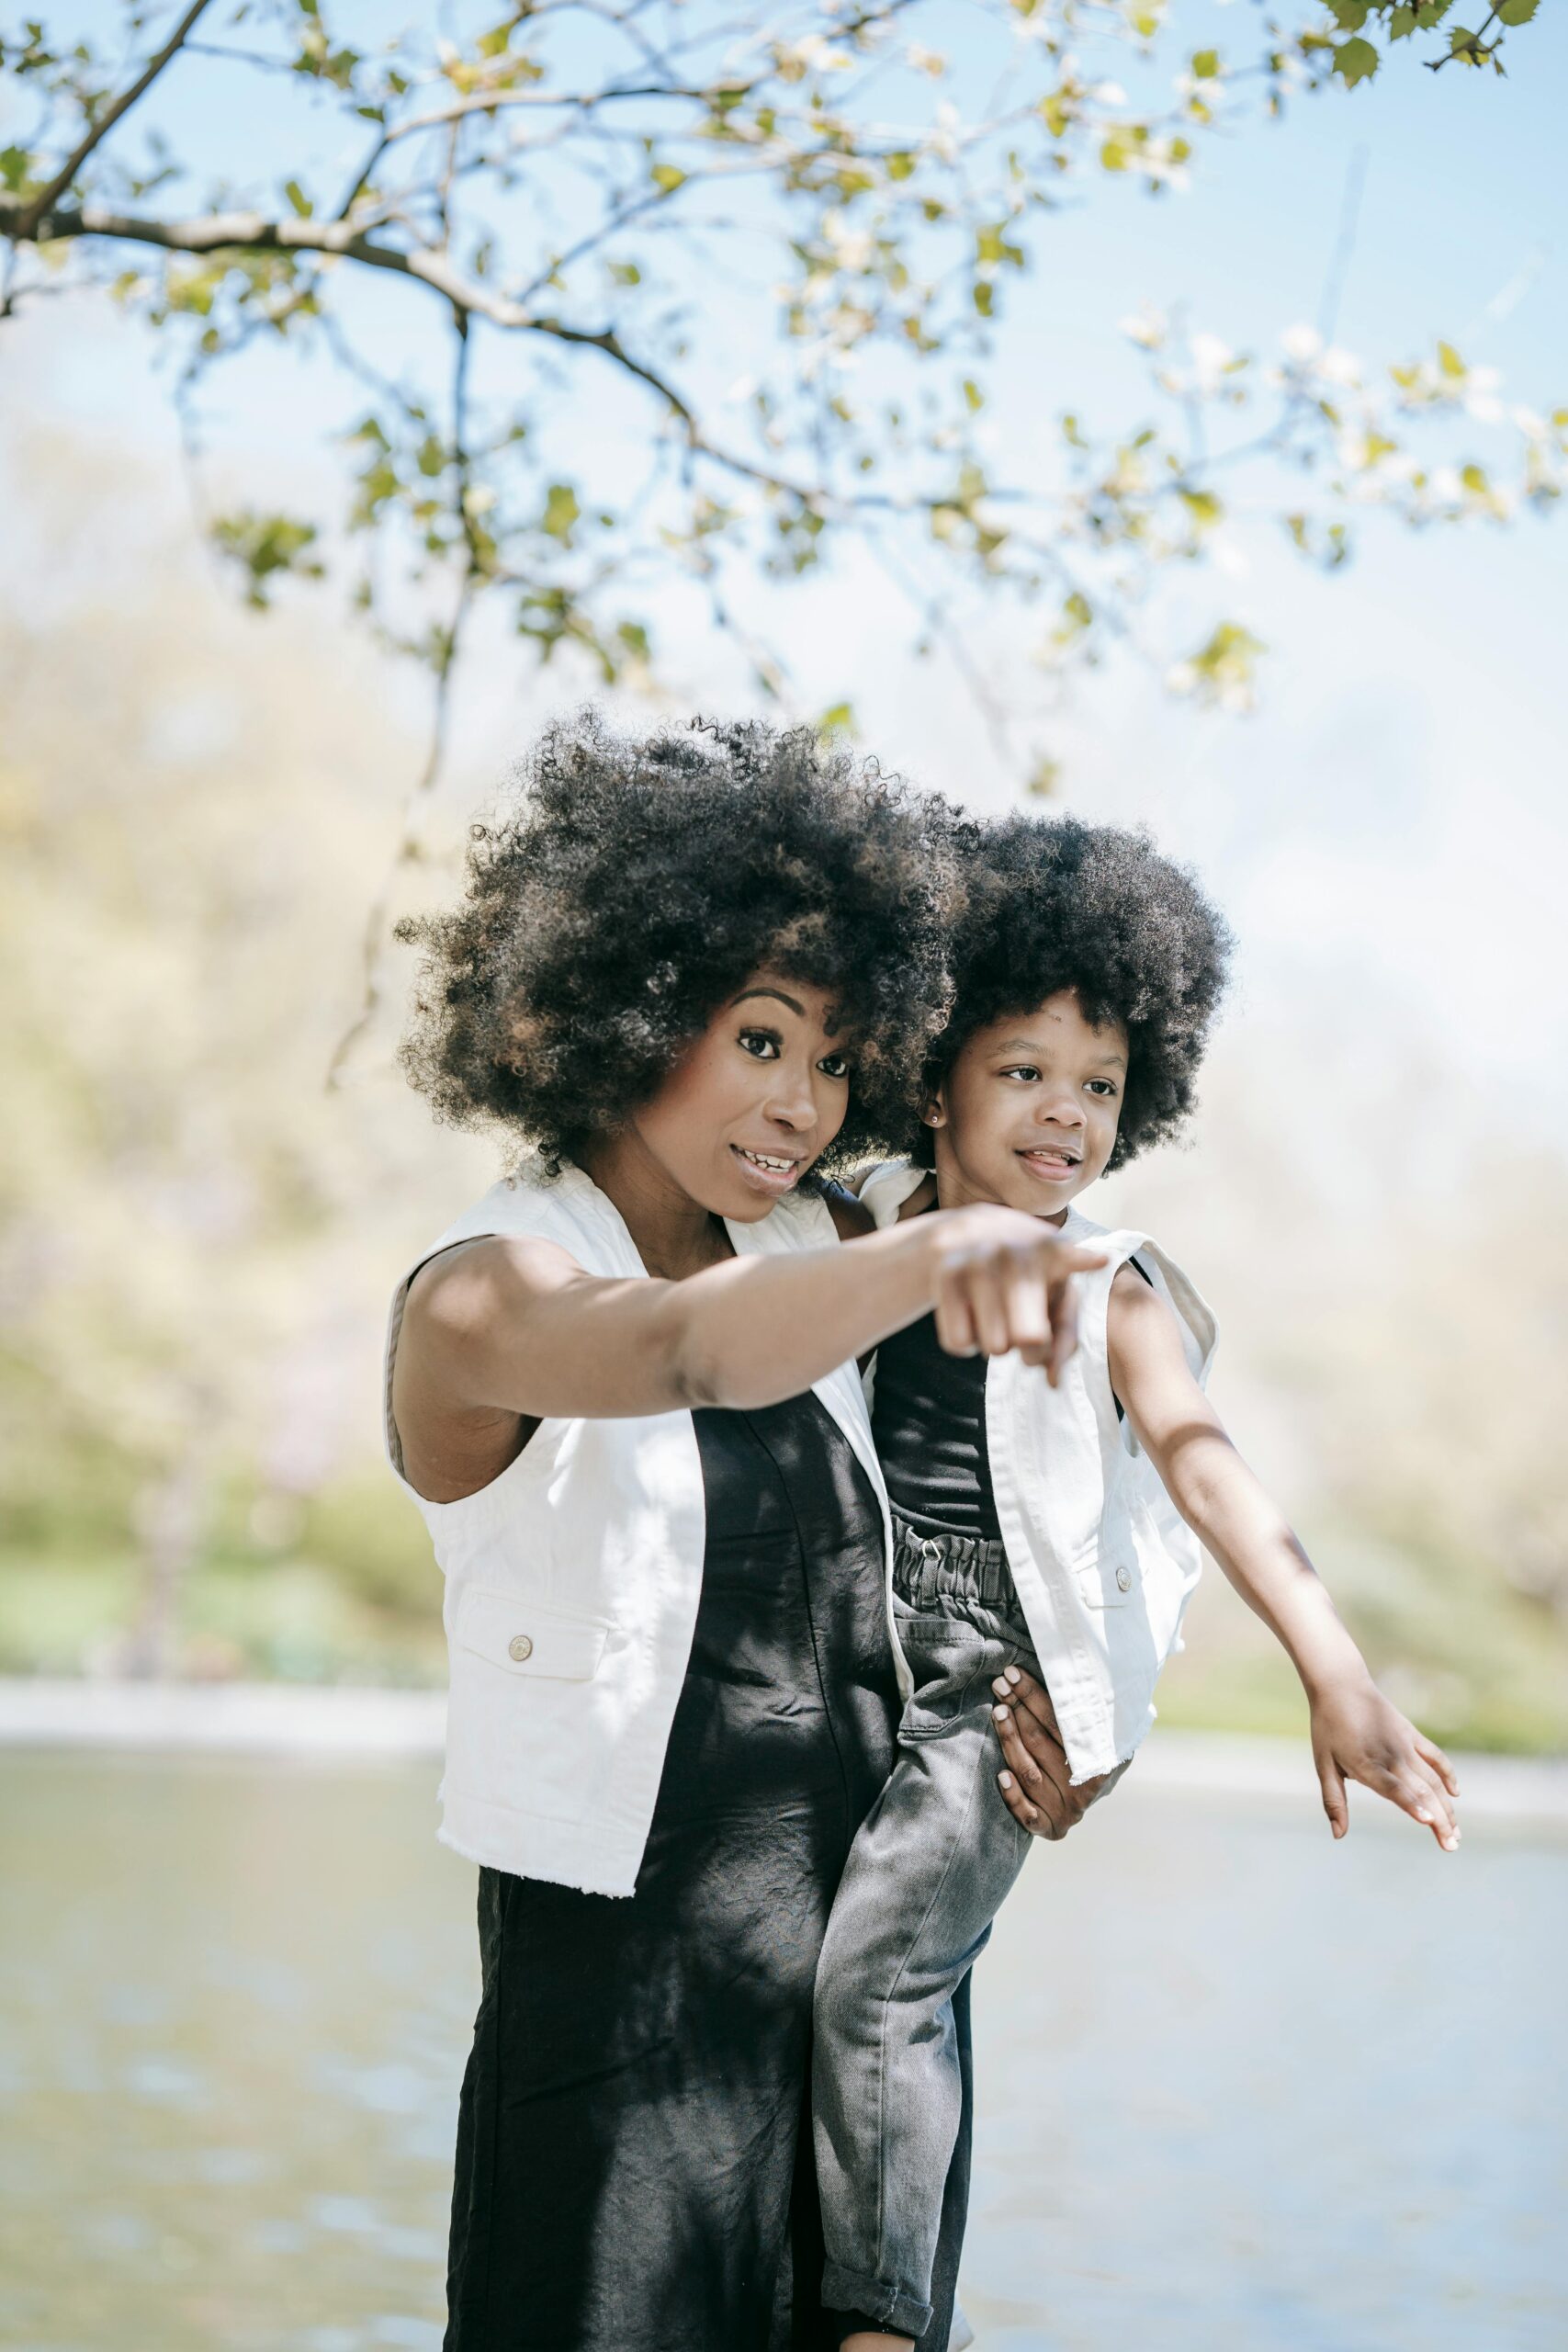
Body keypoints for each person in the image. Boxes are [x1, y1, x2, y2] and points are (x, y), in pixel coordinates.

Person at [384, 716, 1106, 2352]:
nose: (803, 1103)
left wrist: (1080, 1727)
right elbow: (694, 1345)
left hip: (866, 2027)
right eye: (763, 1038)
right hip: (620, 2040)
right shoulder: (484, 1293)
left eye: (841, 1059)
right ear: (629, 1005)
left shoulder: (834, 1237)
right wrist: (948, 1249)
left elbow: (1034, 1518)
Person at [811, 815, 1463, 2351]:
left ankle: (879, 2326)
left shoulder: (1108, 1284)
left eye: (1100, 1086)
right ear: (933, 1074)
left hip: (991, 1684)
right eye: (1024, 1071)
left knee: (882, 1978)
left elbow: (1201, 1463)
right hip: (835, 1631)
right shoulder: (859, 1224)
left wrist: (1335, 1670)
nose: (1066, 1115)